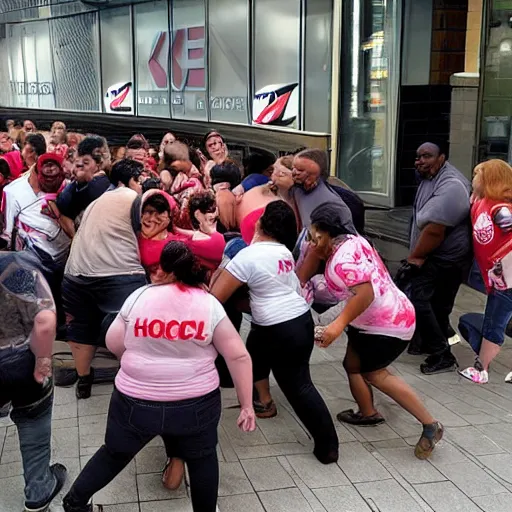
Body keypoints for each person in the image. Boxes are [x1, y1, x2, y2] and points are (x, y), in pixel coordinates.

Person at [62, 241, 256, 512]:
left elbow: (114, 340)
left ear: (163, 269)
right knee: (202, 460)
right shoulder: (208, 303)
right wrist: (246, 405)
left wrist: (138, 362)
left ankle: (74, 503)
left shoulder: (140, 296)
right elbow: (238, 356)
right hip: (195, 404)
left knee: (114, 453)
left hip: (134, 402)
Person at [309, 202, 443, 459]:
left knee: (375, 373)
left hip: (387, 324)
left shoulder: (342, 259)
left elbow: (365, 293)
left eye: (313, 233)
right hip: (386, 316)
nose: (310, 239)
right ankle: (367, 412)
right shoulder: (355, 241)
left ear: (324, 231)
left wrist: (336, 326)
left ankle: (430, 424)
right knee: (353, 363)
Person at [210, 201, 339, 463]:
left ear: (260, 224)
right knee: (254, 351)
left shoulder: (247, 256)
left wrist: (222, 267)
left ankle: (328, 447)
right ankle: (263, 403)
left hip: (281, 329)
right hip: (298, 319)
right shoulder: (283, 252)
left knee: (299, 387)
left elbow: (215, 297)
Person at [62, 159, 146, 399]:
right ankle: (133, 379)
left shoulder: (96, 202)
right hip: (118, 273)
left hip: (75, 274)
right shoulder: (132, 197)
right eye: (139, 179)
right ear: (127, 181)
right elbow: (149, 232)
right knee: (134, 328)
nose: (141, 185)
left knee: (81, 329)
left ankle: (84, 380)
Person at [0, 253, 67, 512]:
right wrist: (43, 360)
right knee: (33, 421)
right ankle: (38, 490)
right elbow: (45, 321)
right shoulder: (14, 265)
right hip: (20, 365)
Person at [404, 142, 471, 374]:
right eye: (418, 156)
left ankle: (442, 354)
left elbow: (435, 230)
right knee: (438, 305)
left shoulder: (451, 185)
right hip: (440, 256)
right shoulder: (429, 176)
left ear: (442, 158)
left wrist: (415, 257)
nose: (420, 161)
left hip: (445, 258)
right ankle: (429, 343)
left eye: (427, 156)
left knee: (418, 300)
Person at [458, 160, 512, 384]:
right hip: (500, 276)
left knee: (494, 322)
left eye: (477, 176)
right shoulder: (486, 202)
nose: (473, 180)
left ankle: (481, 369)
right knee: (495, 320)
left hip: (506, 277)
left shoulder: (501, 209)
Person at [0, 153, 70, 283]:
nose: (51, 180)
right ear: (36, 173)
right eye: (46, 176)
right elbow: (7, 235)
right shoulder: (13, 192)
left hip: (66, 262)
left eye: (55, 176)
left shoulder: (69, 187)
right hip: (30, 263)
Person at [55, 136, 112, 238]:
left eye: (86, 162)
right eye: (77, 161)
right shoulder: (80, 184)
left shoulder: (100, 184)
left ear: (99, 164)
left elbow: (63, 203)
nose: (79, 165)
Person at [177, 191, 226, 275]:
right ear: (198, 214)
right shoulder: (196, 243)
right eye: (209, 211)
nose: (213, 214)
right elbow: (219, 245)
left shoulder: (197, 238)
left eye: (214, 209)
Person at [138, 189, 178, 280]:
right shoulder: (133, 241)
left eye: (159, 214)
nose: (152, 218)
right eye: (148, 212)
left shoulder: (176, 243)